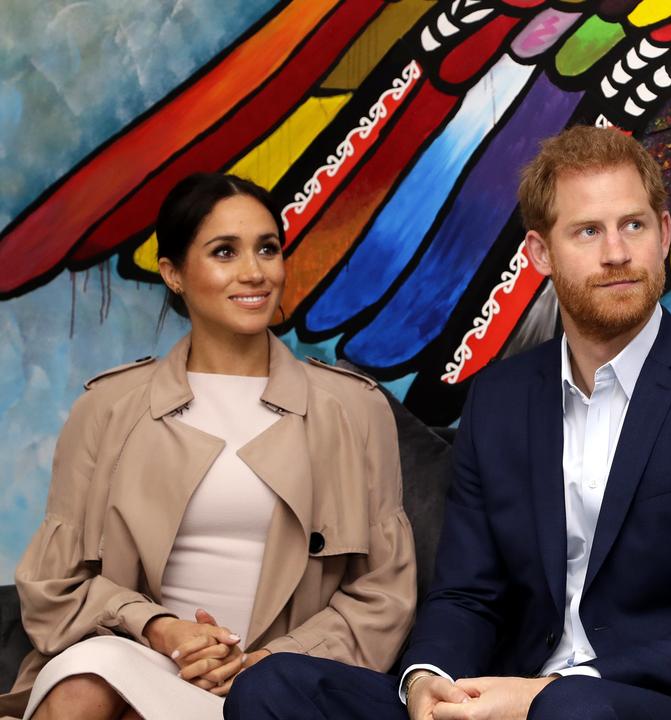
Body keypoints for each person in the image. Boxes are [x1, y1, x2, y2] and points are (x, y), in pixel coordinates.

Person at [225, 125, 671, 719]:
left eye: (635, 225)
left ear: (665, 234)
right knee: (272, 687)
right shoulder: (500, 398)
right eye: (587, 231)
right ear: (540, 254)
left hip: (668, 706)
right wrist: (429, 682)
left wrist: (545, 693)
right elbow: (468, 594)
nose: (617, 253)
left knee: (569, 712)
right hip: (512, 697)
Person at [0, 173, 416, 720]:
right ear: (172, 274)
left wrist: (269, 662)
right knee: (84, 688)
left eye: (267, 249)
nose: (254, 272)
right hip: (133, 652)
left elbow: (383, 593)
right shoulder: (106, 409)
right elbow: (54, 585)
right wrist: (156, 627)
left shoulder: (356, 410)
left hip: (278, 674)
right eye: (225, 251)